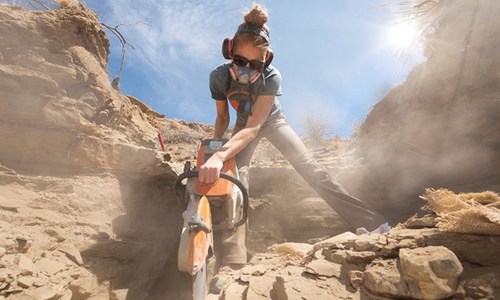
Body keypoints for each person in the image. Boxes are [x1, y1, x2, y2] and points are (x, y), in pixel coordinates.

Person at [199, 3, 389, 269]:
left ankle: (375, 225)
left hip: (271, 121)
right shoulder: (219, 77)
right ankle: (232, 261)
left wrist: (220, 155)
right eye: (240, 62)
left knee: (309, 167)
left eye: (254, 65)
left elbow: (256, 127)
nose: (245, 70)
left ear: (265, 61)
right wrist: (215, 152)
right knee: (236, 180)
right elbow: (222, 119)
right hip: (242, 124)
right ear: (230, 51)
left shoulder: (272, 77)